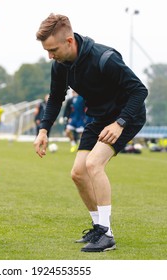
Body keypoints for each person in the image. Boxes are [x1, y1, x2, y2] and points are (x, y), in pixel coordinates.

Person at [34, 13, 148, 252]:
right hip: (97, 117)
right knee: (78, 173)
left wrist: (120, 123)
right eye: (47, 50)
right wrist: (43, 129)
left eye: (52, 49)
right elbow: (55, 98)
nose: (49, 56)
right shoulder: (60, 66)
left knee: (94, 164)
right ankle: (99, 228)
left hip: (127, 115)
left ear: (69, 41)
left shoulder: (105, 58)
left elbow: (139, 90)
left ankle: (107, 235)